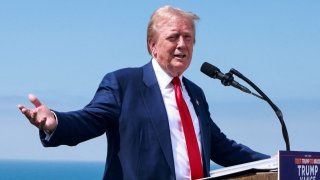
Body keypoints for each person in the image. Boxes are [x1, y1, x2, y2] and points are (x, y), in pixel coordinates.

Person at [18, 5, 270, 180]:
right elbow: (88, 120)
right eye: (174, 37)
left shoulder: (195, 93)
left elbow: (220, 147)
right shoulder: (123, 84)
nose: (182, 44)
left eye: (188, 38)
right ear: (152, 45)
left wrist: (277, 163)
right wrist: (54, 122)